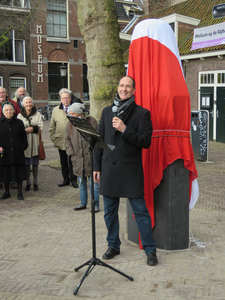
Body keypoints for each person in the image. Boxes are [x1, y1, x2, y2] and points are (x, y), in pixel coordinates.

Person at [93, 76, 158, 266]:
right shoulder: (106, 112)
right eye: (121, 85)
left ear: (134, 90)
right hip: (109, 170)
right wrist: (97, 167)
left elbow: (146, 141)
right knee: (109, 212)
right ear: (118, 87)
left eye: (128, 86)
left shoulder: (142, 113)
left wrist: (125, 129)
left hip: (130, 171)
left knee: (141, 212)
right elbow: (99, 141)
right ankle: (113, 245)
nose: (124, 89)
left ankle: (150, 249)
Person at [65, 103, 100, 212]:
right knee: (81, 183)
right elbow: (67, 139)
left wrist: (93, 152)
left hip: (90, 158)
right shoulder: (70, 123)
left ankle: (96, 204)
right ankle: (83, 203)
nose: (70, 115)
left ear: (80, 114)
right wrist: (71, 152)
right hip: (77, 159)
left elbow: (97, 137)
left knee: (93, 184)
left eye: (72, 113)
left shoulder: (91, 121)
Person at [49, 88, 80, 188]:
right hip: (60, 140)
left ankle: (73, 179)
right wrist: (54, 138)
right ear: (60, 99)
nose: (65, 100)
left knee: (72, 161)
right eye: (63, 98)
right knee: (63, 162)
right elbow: (52, 126)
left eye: (67, 98)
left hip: (73, 141)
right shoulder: (55, 110)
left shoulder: (75, 109)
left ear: (70, 98)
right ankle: (65, 179)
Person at [0, 102, 28, 200]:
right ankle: (7, 192)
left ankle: (20, 193)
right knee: (5, 173)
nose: (9, 112)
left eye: (10, 110)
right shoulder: (0, 122)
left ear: (13, 111)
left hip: (18, 153)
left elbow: (24, 138)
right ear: (3, 112)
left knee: (19, 173)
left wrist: (22, 147)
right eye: (6, 110)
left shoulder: (19, 122)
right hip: (5, 153)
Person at [17, 96, 43, 191]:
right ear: (23, 104)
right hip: (25, 143)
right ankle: (28, 182)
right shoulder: (20, 115)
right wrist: (24, 130)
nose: (28, 104)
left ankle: (35, 183)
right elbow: (17, 129)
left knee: (35, 163)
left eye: (30, 102)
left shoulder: (37, 114)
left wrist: (33, 129)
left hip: (35, 142)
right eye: (26, 103)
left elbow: (41, 127)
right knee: (26, 164)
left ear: (32, 103)